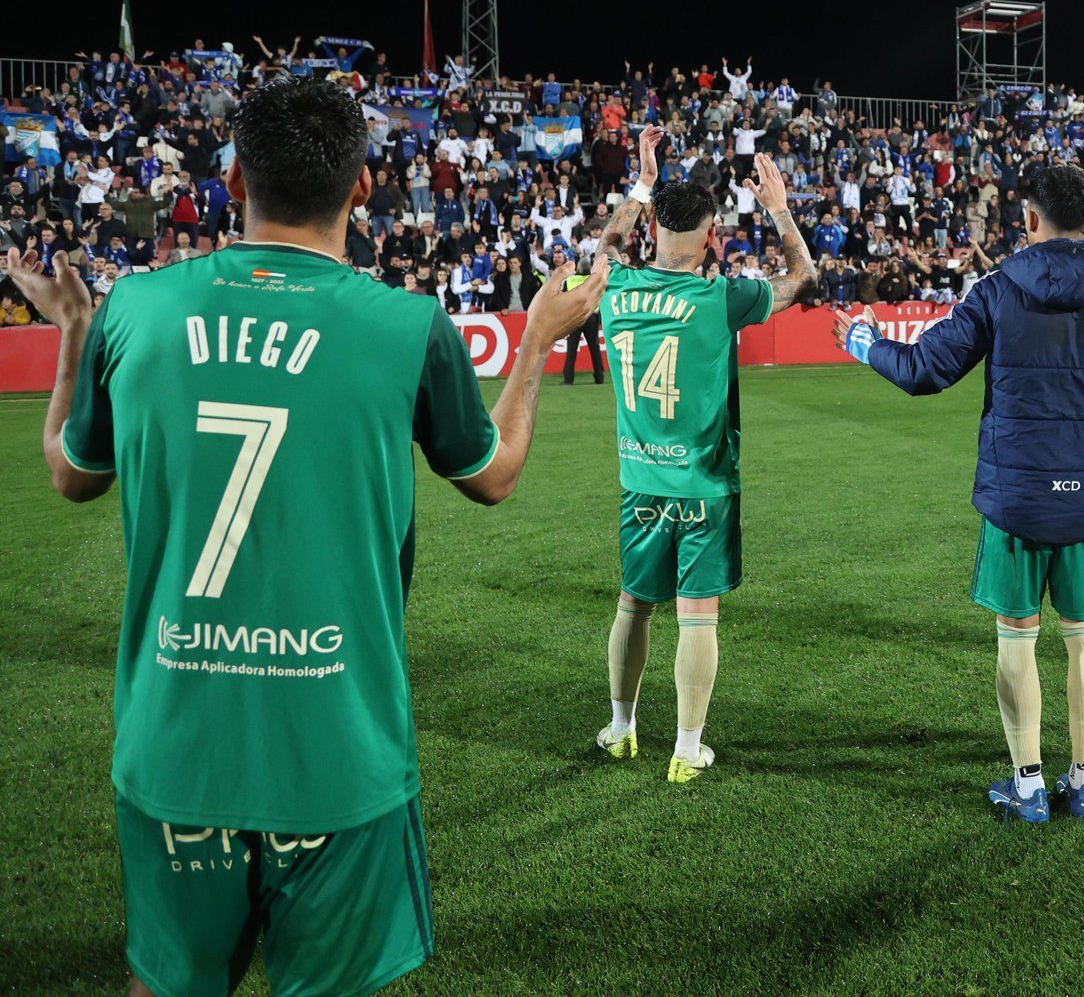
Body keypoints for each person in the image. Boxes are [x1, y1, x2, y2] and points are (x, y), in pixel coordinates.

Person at [3, 75, 608, 997]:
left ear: (233, 176)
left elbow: (68, 471)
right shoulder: (408, 325)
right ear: (364, 188)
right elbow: (494, 476)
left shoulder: (135, 310)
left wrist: (78, 333)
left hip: (176, 747)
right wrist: (535, 343)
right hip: (338, 750)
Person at [831, 162, 1084, 823]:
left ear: (1029, 218)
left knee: (1017, 638)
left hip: (1017, 502)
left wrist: (861, 340)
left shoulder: (997, 291)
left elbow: (923, 371)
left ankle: (1028, 786)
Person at [589, 131, 816, 785]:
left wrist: (641, 182)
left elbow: (604, 245)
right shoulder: (721, 297)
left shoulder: (616, 284)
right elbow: (804, 278)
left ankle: (621, 728)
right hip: (704, 486)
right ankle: (687, 749)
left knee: (633, 606)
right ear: (713, 238)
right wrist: (777, 207)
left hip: (640, 481)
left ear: (654, 224)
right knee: (697, 617)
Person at [559, 247, 607, 385]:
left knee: (571, 349)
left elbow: (564, 299)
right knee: (594, 349)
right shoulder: (595, 280)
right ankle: (599, 377)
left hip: (575, 317)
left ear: (578, 268)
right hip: (591, 317)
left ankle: (568, 379)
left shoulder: (570, 281)